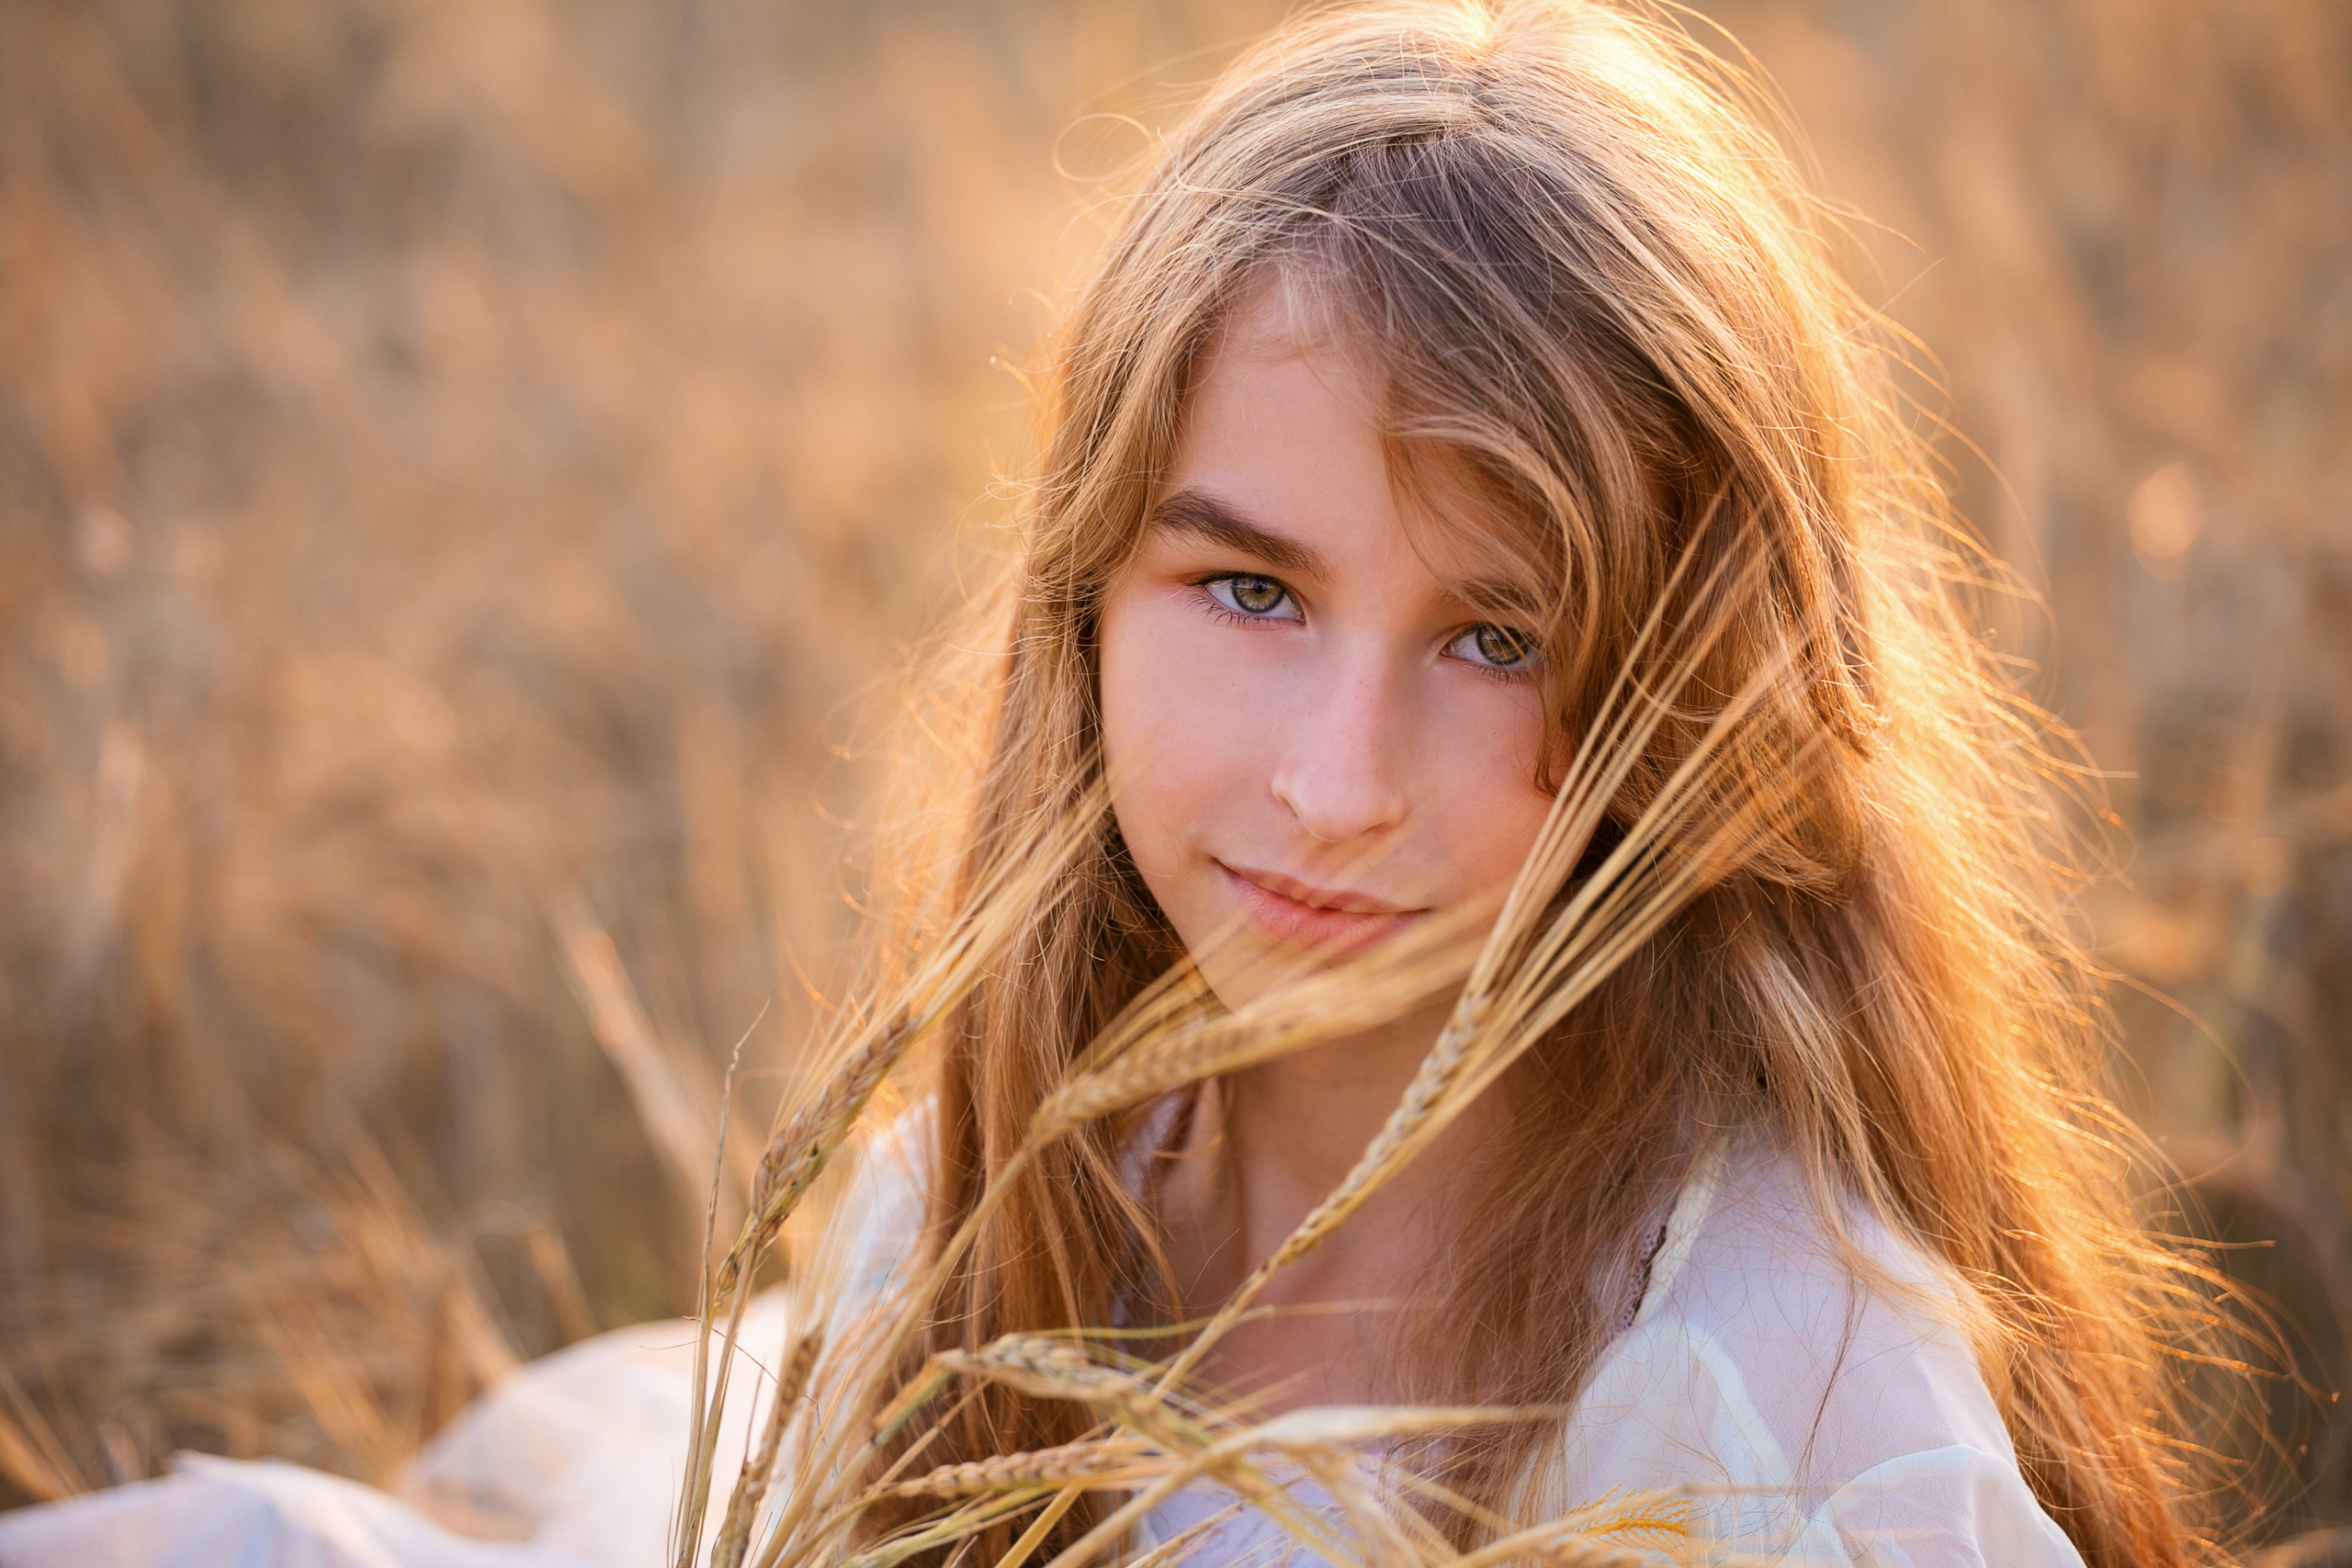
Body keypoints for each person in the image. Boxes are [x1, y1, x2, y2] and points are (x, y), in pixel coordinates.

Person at [0, 4, 2227, 1566]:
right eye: (1248, 589)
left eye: (1497, 639)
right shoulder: (1030, 1172)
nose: (1332, 783)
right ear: (1081, 590)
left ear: (1711, 705)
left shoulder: (1781, 1419)